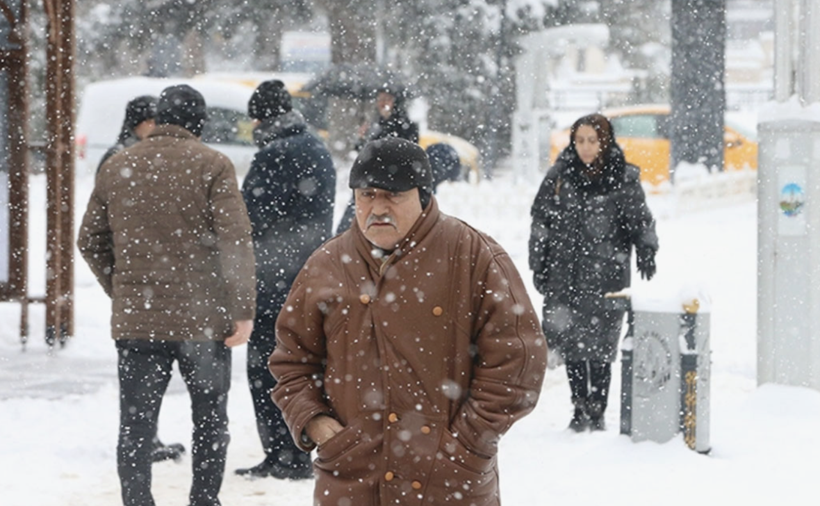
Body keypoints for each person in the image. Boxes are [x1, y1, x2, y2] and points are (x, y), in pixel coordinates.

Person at [269, 137, 548, 506]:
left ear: (424, 195)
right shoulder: (327, 264)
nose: (377, 207)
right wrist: (319, 425)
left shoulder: (472, 254)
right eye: (367, 195)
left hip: (449, 482)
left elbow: (518, 362)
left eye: (393, 195)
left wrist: (466, 442)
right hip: (352, 479)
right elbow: (292, 362)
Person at [77, 84, 257, 506]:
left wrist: (120, 287)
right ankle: (203, 500)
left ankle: (138, 501)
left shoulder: (119, 164)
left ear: (158, 119)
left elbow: (89, 240)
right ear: (199, 122)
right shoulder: (213, 165)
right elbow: (236, 241)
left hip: (138, 319)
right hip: (203, 321)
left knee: (135, 427)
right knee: (210, 421)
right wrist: (242, 310)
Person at [529, 113, 658, 433]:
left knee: (601, 344)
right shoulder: (559, 176)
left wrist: (646, 248)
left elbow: (640, 219)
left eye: (592, 140)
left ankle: (597, 410)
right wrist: (539, 262)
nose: (585, 148)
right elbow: (540, 221)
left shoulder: (622, 178)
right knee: (572, 343)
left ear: (604, 141)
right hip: (566, 273)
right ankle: (579, 407)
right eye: (580, 141)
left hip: (606, 275)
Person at [235, 80, 336, 480]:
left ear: (261, 117)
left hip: (273, 280)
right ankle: (298, 448)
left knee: (266, 369)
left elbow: (250, 220)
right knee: (302, 368)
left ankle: (281, 454)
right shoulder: (317, 149)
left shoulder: (273, 156)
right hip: (311, 276)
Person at [97, 93, 185, 464]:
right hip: (140, 280)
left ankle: (144, 439)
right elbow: (101, 231)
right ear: (142, 123)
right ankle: (141, 443)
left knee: (142, 371)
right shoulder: (125, 159)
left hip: (140, 279)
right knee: (140, 372)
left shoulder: (122, 155)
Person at [335, 86, 420, 234]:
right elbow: (363, 153)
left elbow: (407, 154)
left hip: (393, 186)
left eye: (387, 99)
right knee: (350, 224)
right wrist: (361, 138)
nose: (382, 103)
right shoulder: (374, 124)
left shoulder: (406, 126)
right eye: (380, 99)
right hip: (368, 182)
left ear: (396, 102)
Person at [97, 95, 157, 172]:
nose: (154, 126)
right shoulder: (116, 155)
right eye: (149, 122)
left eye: (157, 122)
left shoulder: (158, 152)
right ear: (135, 125)